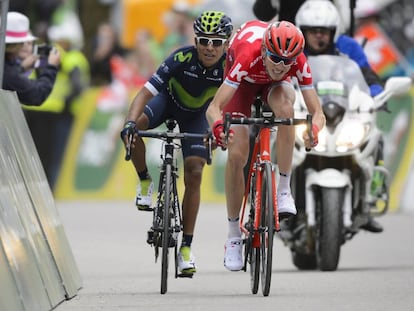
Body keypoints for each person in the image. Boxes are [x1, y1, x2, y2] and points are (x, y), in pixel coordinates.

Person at [206, 20, 326, 271]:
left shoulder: (298, 61)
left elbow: (318, 113)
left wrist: (313, 130)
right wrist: (219, 127)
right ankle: (233, 237)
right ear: (264, 50)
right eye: (275, 58)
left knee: (286, 110)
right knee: (238, 155)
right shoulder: (248, 54)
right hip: (244, 85)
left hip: (274, 89)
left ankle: (283, 188)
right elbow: (214, 108)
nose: (281, 66)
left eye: (288, 61)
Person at [120, 11, 233, 276]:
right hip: (166, 103)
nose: (209, 47)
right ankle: (145, 182)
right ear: (195, 40)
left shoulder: (230, 67)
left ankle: (186, 249)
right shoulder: (181, 58)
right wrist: (129, 122)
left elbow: (231, 107)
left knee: (194, 173)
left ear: (226, 43)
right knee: (134, 129)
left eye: (216, 42)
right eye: (204, 40)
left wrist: (218, 134)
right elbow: (145, 93)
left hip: (199, 116)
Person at [295, 0, 384, 232]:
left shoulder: (349, 47)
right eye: (313, 31)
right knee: (274, 137)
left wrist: (376, 96)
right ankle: (273, 200)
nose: (319, 36)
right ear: (302, 31)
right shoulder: (293, 48)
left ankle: (368, 199)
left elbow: (368, 77)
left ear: (333, 32)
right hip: (303, 114)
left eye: (324, 31)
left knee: (376, 137)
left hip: (341, 115)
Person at [2, 11, 61, 106]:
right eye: (25, 42)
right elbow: (37, 94)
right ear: (19, 44)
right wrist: (52, 67)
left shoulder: (6, 66)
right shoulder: (9, 72)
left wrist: (21, 68)